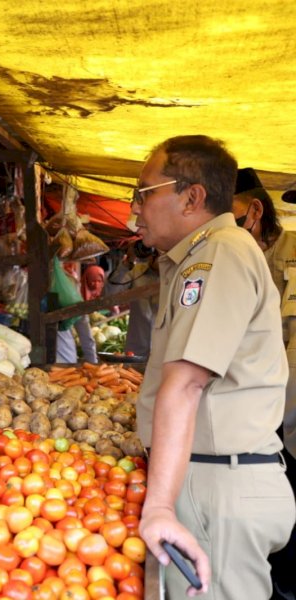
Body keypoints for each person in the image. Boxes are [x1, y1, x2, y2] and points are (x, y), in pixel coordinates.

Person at [130, 135, 295, 598]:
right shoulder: (200, 257)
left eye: (143, 193)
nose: (135, 208)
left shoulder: (218, 253)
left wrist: (159, 505)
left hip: (218, 485)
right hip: (213, 478)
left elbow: (185, 385)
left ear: (192, 197)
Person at [231, 169, 296, 599]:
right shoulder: (243, 254)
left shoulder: (291, 249)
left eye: (234, 221)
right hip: (269, 404)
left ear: (255, 211)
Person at [55, 261, 98, 364]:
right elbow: (84, 330)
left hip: (62, 359)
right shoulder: (67, 286)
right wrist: (93, 362)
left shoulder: (31, 282)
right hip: (64, 359)